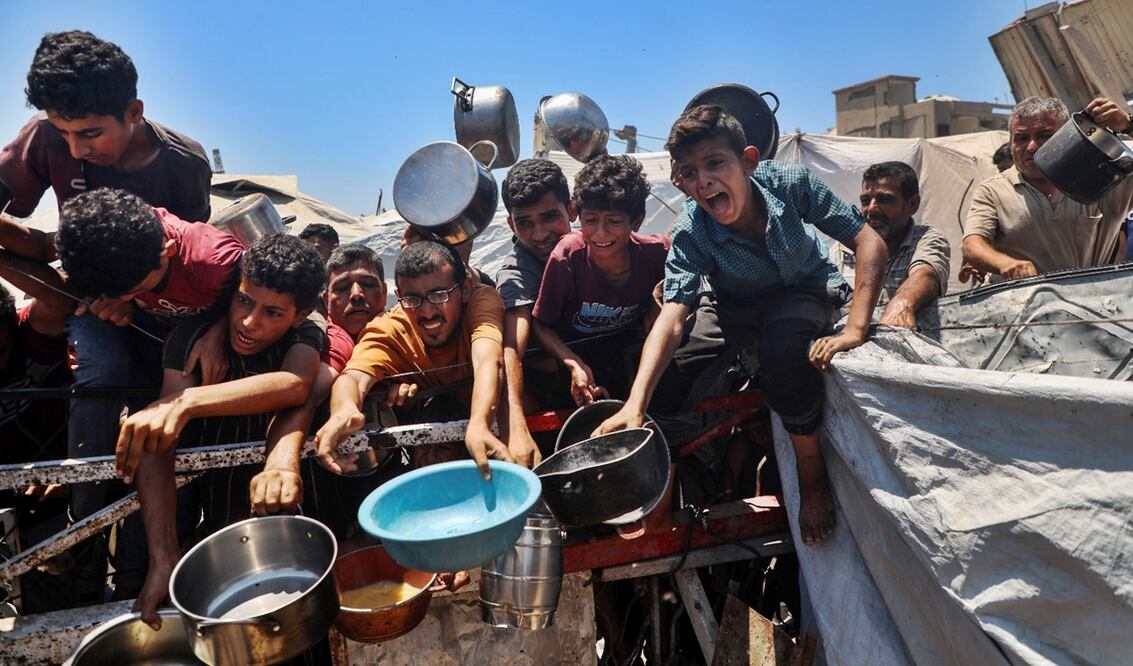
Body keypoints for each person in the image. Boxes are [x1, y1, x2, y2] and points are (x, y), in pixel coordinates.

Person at [595, 105, 888, 546]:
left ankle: (811, 474)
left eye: (715, 163)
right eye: (690, 172)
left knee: (783, 353)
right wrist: (636, 403)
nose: (704, 181)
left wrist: (856, 328)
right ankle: (666, 497)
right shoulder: (692, 229)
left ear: (748, 161)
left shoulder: (788, 183)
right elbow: (673, 315)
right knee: (666, 376)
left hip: (802, 289)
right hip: (734, 304)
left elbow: (868, 241)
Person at [119, 233, 326, 627]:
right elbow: (159, 440)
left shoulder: (308, 332)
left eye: (272, 313)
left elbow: (296, 385)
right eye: (244, 301)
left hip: (302, 518)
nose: (249, 322)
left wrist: (186, 402)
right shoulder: (193, 338)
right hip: (220, 523)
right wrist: (163, 558)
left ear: (299, 316)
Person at [53, 188, 242, 599]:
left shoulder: (213, 260)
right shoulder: (105, 246)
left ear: (167, 251)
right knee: (149, 454)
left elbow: (263, 295)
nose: (129, 296)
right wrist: (122, 305)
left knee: (182, 484)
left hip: (204, 379)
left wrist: (220, 329)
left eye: (137, 288)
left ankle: (146, 579)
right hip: (154, 371)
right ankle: (94, 545)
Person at [0, 31, 212, 264]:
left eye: (91, 134)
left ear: (134, 112)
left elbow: (188, 259)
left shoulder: (186, 165)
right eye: (63, 133)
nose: (76, 151)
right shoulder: (44, 131)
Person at [315, 239, 516, 478]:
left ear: (465, 289)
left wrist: (480, 423)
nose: (427, 312)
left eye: (439, 295)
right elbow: (353, 378)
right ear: (398, 296)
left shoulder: (480, 300)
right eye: (412, 299)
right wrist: (344, 409)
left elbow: (487, 357)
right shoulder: (388, 329)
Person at [532, 155, 669, 405]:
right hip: (576, 359)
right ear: (578, 216)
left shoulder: (658, 254)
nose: (600, 233)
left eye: (614, 221)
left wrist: (657, 301)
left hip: (630, 357)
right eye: (590, 220)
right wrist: (573, 364)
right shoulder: (567, 257)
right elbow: (541, 326)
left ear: (637, 221)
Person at [962, 96, 1133, 282]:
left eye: (1044, 136)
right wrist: (1005, 264)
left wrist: (1128, 126)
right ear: (1010, 143)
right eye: (1021, 138)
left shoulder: (1103, 179)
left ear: (1069, 135)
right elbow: (972, 245)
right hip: (1020, 298)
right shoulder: (992, 191)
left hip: (1092, 297)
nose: (1032, 146)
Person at [495, 159, 575, 465]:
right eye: (525, 223)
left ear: (572, 210)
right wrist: (515, 427)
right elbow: (512, 346)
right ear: (511, 225)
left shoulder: (600, 243)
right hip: (550, 398)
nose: (539, 234)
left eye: (549, 217)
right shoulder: (516, 273)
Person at [829, 161, 950, 328]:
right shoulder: (843, 249)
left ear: (912, 204)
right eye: (866, 201)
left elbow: (925, 275)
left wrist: (902, 303)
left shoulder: (926, 239)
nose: (871, 209)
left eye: (884, 200)